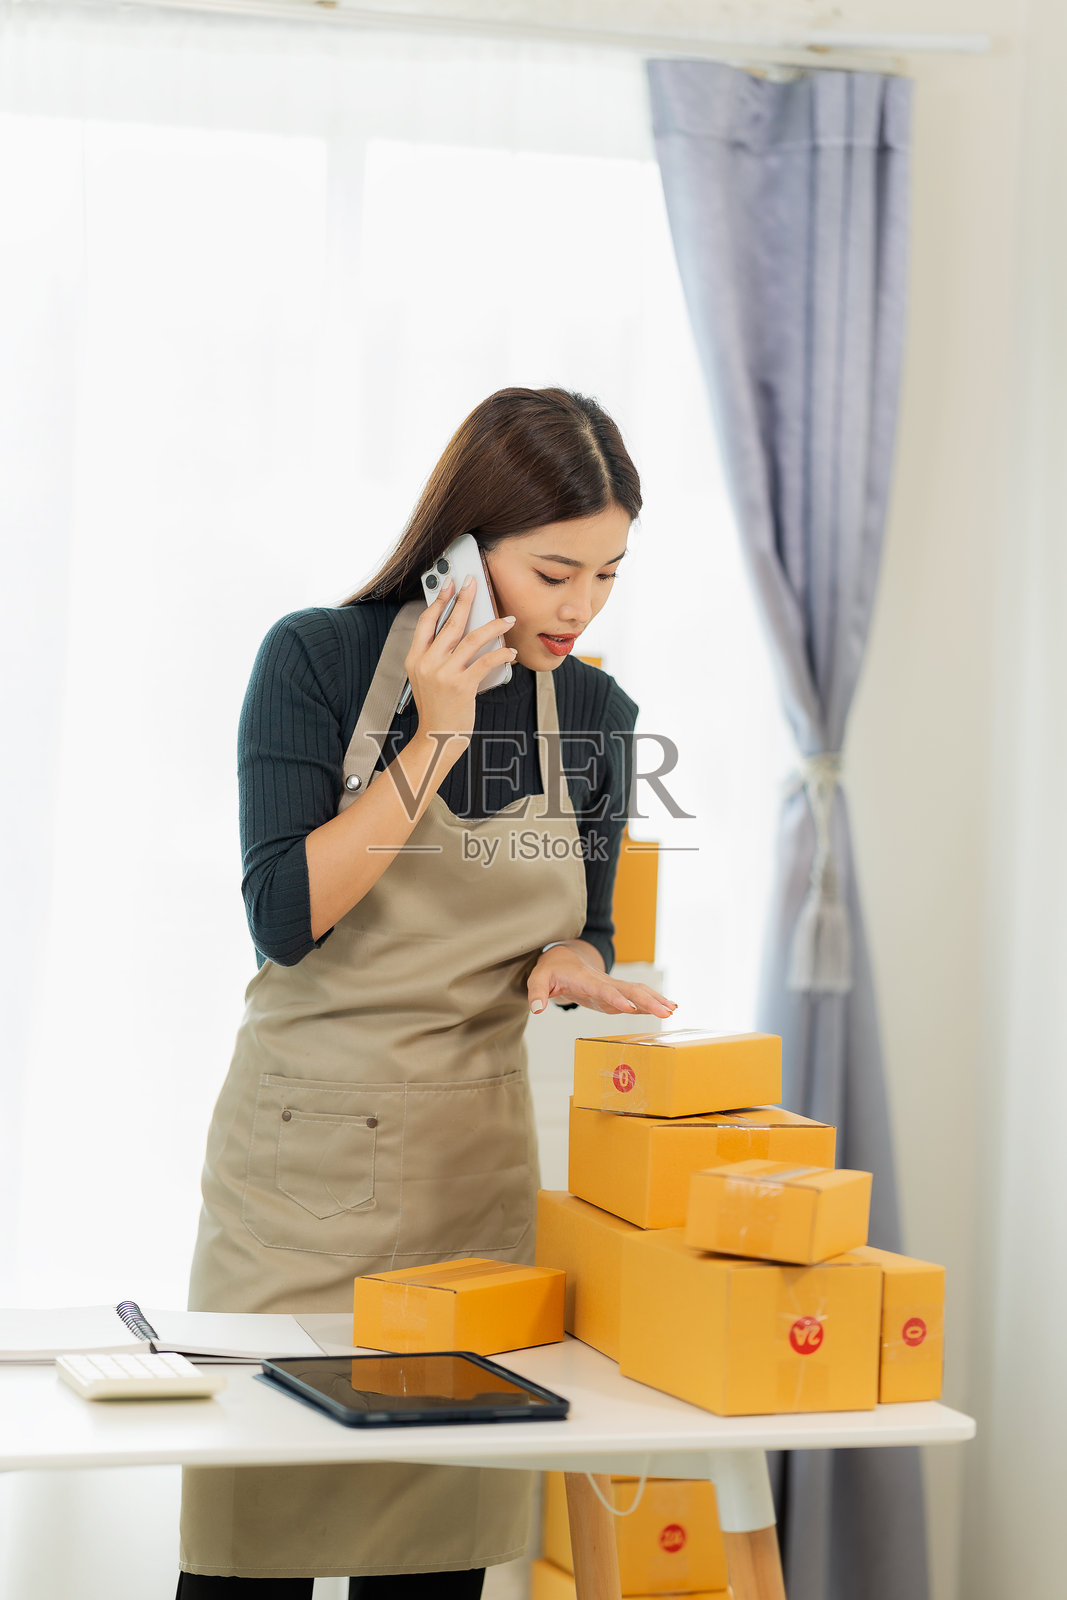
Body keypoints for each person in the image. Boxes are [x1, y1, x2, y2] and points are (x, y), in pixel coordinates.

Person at [176, 386, 677, 1597]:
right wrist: (435, 731)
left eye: (607, 574)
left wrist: (573, 971)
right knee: (256, 1546)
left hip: (467, 1182)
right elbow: (286, 918)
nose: (580, 607)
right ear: (461, 543)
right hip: (295, 1187)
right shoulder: (317, 657)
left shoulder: (596, 717)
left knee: (435, 1563)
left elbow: (585, 929)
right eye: (554, 570)